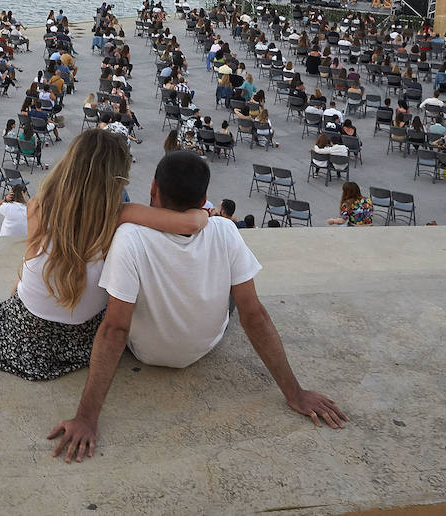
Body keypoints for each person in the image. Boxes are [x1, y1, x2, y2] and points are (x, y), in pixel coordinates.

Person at [47, 150, 346, 462]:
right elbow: (253, 315)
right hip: (205, 344)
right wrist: (295, 394)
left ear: (153, 189)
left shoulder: (129, 237)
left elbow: (115, 329)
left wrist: (86, 417)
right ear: (204, 197)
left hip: (147, 353)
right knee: (239, 288)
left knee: (117, 291)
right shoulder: (225, 229)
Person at [0, 129, 208, 383]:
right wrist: (207, 214)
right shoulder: (119, 214)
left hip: (25, 336)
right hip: (81, 340)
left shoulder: (38, 205)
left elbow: (29, 263)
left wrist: (12, 305)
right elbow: (190, 223)